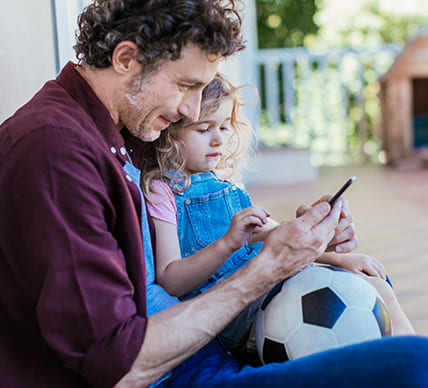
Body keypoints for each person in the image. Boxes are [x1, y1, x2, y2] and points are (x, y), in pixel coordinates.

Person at [0, 1, 427, 388]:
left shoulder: (127, 128)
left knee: (367, 280)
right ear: (126, 59)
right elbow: (120, 365)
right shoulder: (54, 152)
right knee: (414, 362)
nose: (190, 110)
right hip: (176, 370)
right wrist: (269, 267)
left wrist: (309, 243)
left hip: (204, 349)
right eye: (185, 86)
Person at [138, 73, 414, 358]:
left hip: (277, 284)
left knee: (377, 285)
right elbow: (170, 279)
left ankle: (414, 362)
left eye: (223, 127)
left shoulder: (227, 187)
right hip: (239, 312)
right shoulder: (164, 192)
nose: (218, 139)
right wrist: (227, 244)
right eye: (204, 129)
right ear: (171, 133)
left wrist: (339, 258)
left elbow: (280, 237)